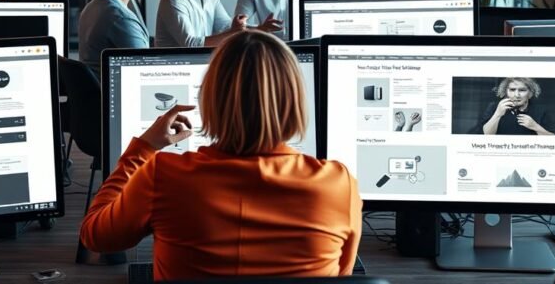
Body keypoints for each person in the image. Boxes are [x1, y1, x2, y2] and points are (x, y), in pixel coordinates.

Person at [80, 31, 362, 280]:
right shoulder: (340, 184)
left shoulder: (163, 176)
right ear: (295, 100)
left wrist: (143, 148)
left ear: (211, 100)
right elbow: (341, 274)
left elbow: (96, 236)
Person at [476, 77, 555, 136]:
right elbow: (485, 137)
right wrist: (498, 114)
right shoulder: (494, 107)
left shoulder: (540, 111)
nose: (517, 95)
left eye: (522, 90)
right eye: (512, 90)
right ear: (506, 92)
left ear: (530, 94)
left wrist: (535, 126)